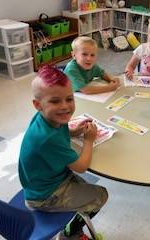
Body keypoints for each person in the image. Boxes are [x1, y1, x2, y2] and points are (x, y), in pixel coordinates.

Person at [18, 65, 108, 239]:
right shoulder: (47, 138)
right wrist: (88, 140)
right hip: (44, 196)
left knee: (86, 189)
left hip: (47, 180)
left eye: (69, 98)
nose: (65, 107)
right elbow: (81, 167)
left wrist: (74, 132)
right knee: (101, 195)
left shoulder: (47, 118)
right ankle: (70, 233)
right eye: (55, 101)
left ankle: (73, 225)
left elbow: (61, 128)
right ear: (38, 105)